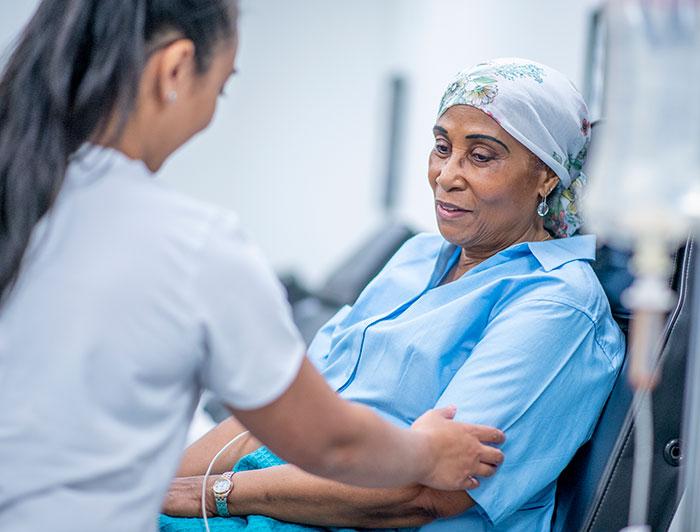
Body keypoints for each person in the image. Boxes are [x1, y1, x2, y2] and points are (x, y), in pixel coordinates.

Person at [0, 3, 506, 532]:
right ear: (175, 71)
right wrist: (425, 452)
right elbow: (329, 439)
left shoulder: (26, 199)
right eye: (219, 88)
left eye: (481, 156)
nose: (449, 176)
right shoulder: (194, 246)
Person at [160, 58, 625, 531]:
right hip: (266, 501)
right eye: (442, 147)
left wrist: (211, 494)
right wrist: (151, 487)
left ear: (546, 176)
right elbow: (291, 409)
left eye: (481, 157)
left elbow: (426, 495)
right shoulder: (419, 256)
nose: (447, 175)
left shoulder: (556, 305)